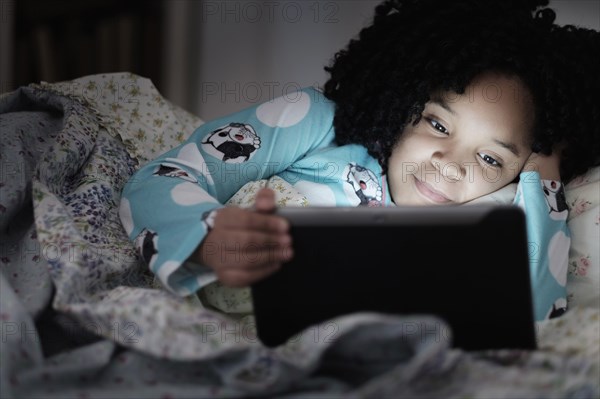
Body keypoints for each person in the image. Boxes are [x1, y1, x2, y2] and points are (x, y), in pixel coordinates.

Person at [119, 0, 599, 321]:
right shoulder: (315, 124)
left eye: (491, 158)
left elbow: (537, 316)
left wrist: (545, 170)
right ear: (401, 98)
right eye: (437, 124)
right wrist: (207, 241)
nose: (450, 165)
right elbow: (164, 177)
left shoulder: (481, 227)